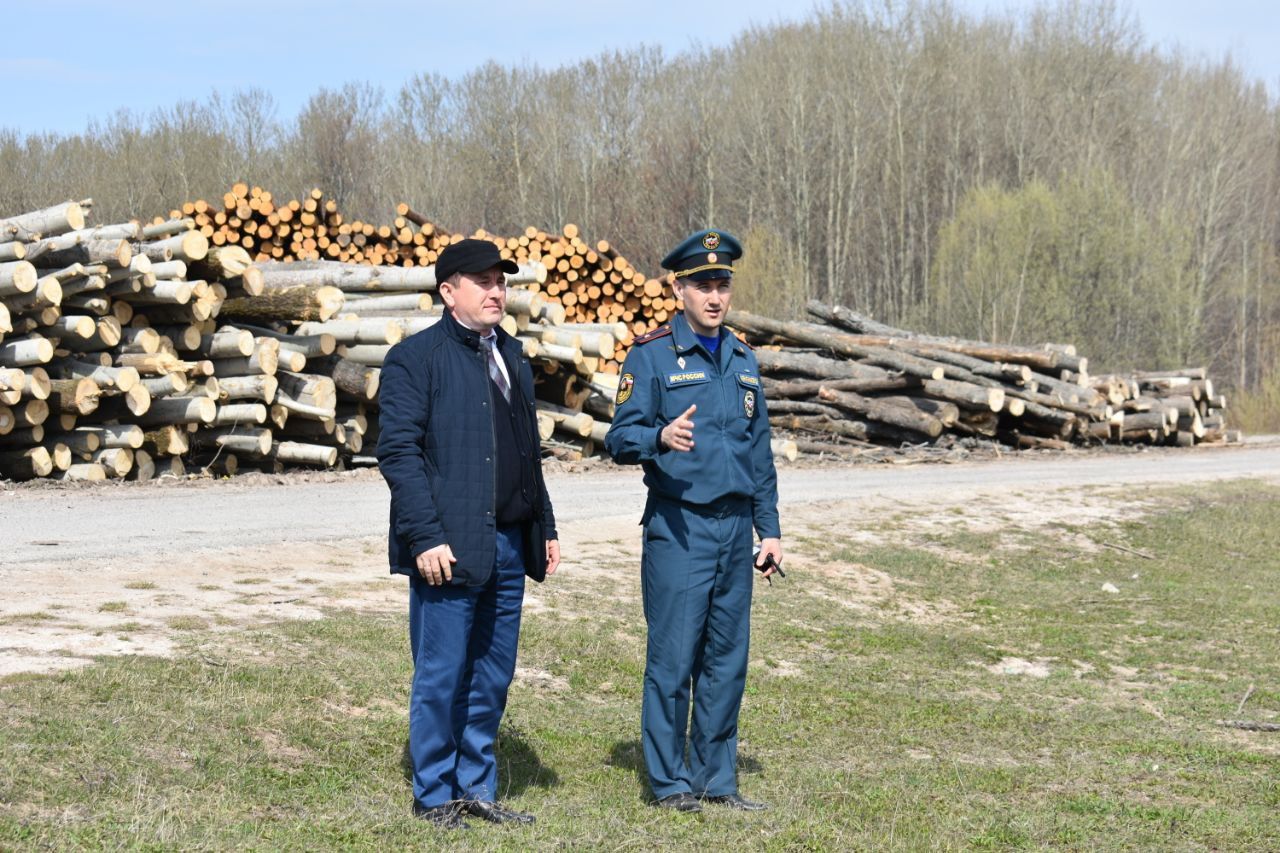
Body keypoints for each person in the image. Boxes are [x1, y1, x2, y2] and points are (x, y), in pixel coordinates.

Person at [376, 238, 561, 830]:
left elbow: (527, 454)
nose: (495, 291)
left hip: (508, 542)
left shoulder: (512, 354)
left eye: (500, 280)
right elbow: (398, 454)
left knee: (491, 674)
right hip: (448, 547)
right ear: (447, 291)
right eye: (480, 281)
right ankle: (434, 794)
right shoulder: (416, 359)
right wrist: (425, 536)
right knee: (442, 673)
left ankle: (476, 787)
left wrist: (546, 525)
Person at [604, 228, 782, 814]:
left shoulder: (743, 358)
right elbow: (619, 437)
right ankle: (670, 782)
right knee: (674, 660)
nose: (714, 296)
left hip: (735, 534)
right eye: (702, 284)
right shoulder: (651, 356)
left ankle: (717, 779)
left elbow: (759, 454)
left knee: (726, 661)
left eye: (722, 284)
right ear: (678, 288)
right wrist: (658, 436)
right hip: (679, 529)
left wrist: (769, 529)